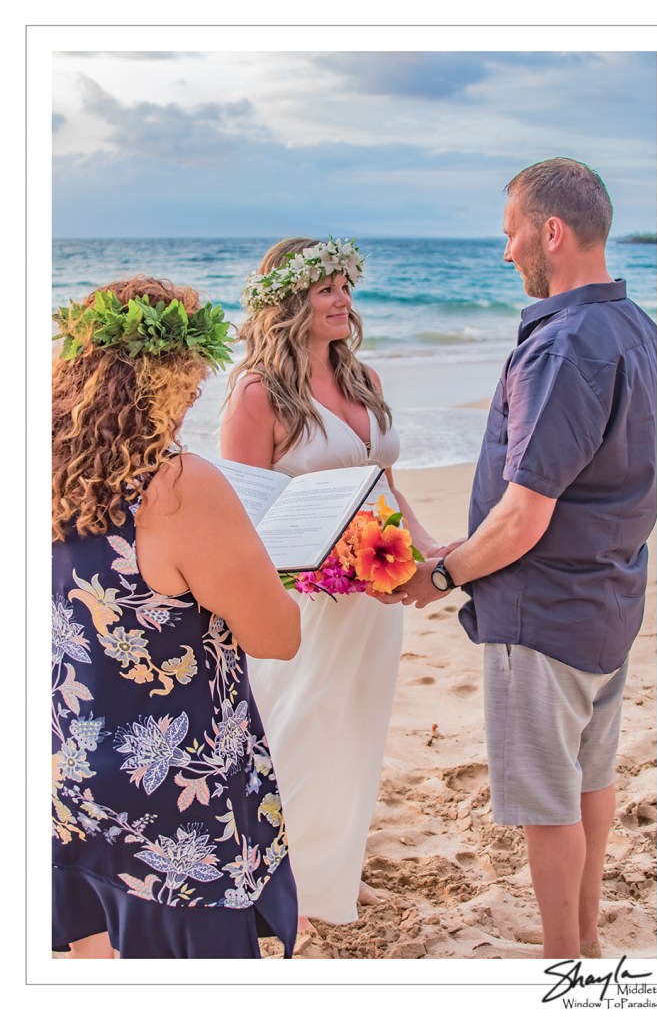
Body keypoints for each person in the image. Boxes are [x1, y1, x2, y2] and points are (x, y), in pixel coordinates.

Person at [396, 158, 657, 959]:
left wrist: (439, 574)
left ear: (551, 231)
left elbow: (519, 520)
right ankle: (579, 944)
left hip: (543, 613)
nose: (505, 251)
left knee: (550, 804)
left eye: (511, 231)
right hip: (608, 601)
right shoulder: (638, 327)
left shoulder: (564, 346)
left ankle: (562, 961)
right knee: (589, 782)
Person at [52, 275, 301, 959]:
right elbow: (277, 637)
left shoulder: (35, 468)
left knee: (98, 960)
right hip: (173, 799)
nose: (196, 391)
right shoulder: (178, 485)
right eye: (190, 373)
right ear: (166, 375)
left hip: (69, 775)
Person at [220, 238, 440, 927]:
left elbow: (386, 486)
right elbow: (244, 517)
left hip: (375, 597)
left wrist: (427, 552)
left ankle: (330, 875)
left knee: (356, 729)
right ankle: (277, 885)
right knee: (297, 730)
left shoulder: (364, 377)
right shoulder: (258, 394)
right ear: (288, 301)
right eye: (326, 289)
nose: (344, 299)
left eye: (347, 285)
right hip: (304, 603)